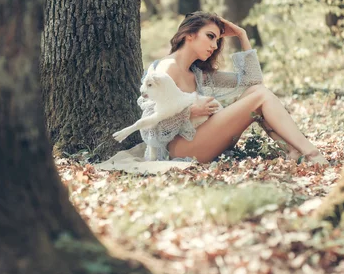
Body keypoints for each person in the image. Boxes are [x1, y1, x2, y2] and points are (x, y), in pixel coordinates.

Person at [138, 11, 328, 165]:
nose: (214, 46)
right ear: (189, 34)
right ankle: (312, 153)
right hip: (182, 149)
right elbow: (149, 126)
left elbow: (252, 82)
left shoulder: (196, 73)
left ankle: (293, 151)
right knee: (259, 96)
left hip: (204, 140)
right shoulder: (167, 68)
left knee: (256, 92)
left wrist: (241, 35)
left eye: (217, 41)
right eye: (210, 37)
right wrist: (190, 112)